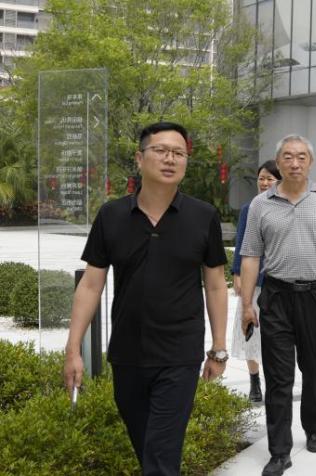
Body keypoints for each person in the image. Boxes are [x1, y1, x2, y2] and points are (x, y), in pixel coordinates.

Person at [63, 122, 229, 476]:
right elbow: (91, 285)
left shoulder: (203, 217)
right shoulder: (112, 215)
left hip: (179, 355)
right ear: (140, 159)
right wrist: (73, 349)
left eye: (179, 153)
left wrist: (218, 348)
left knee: (160, 458)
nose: (170, 159)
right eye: (161, 151)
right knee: (149, 451)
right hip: (127, 355)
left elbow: (215, 285)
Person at [238, 134, 316, 476]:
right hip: (275, 296)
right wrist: (247, 304)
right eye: (288, 157)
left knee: (315, 368)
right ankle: (279, 451)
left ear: (311, 162)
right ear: (279, 162)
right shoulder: (261, 205)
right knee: (278, 376)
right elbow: (251, 256)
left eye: (301, 157)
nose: (294, 163)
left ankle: (314, 427)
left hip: (315, 295)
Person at [231, 160, 282, 403]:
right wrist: (237, 274)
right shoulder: (248, 209)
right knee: (250, 332)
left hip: (279, 282)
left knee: (276, 336)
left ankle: (275, 380)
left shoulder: (288, 208)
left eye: (270, 178)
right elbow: (241, 242)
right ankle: (254, 381)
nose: (264, 182)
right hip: (254, 282)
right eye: (261, 178)